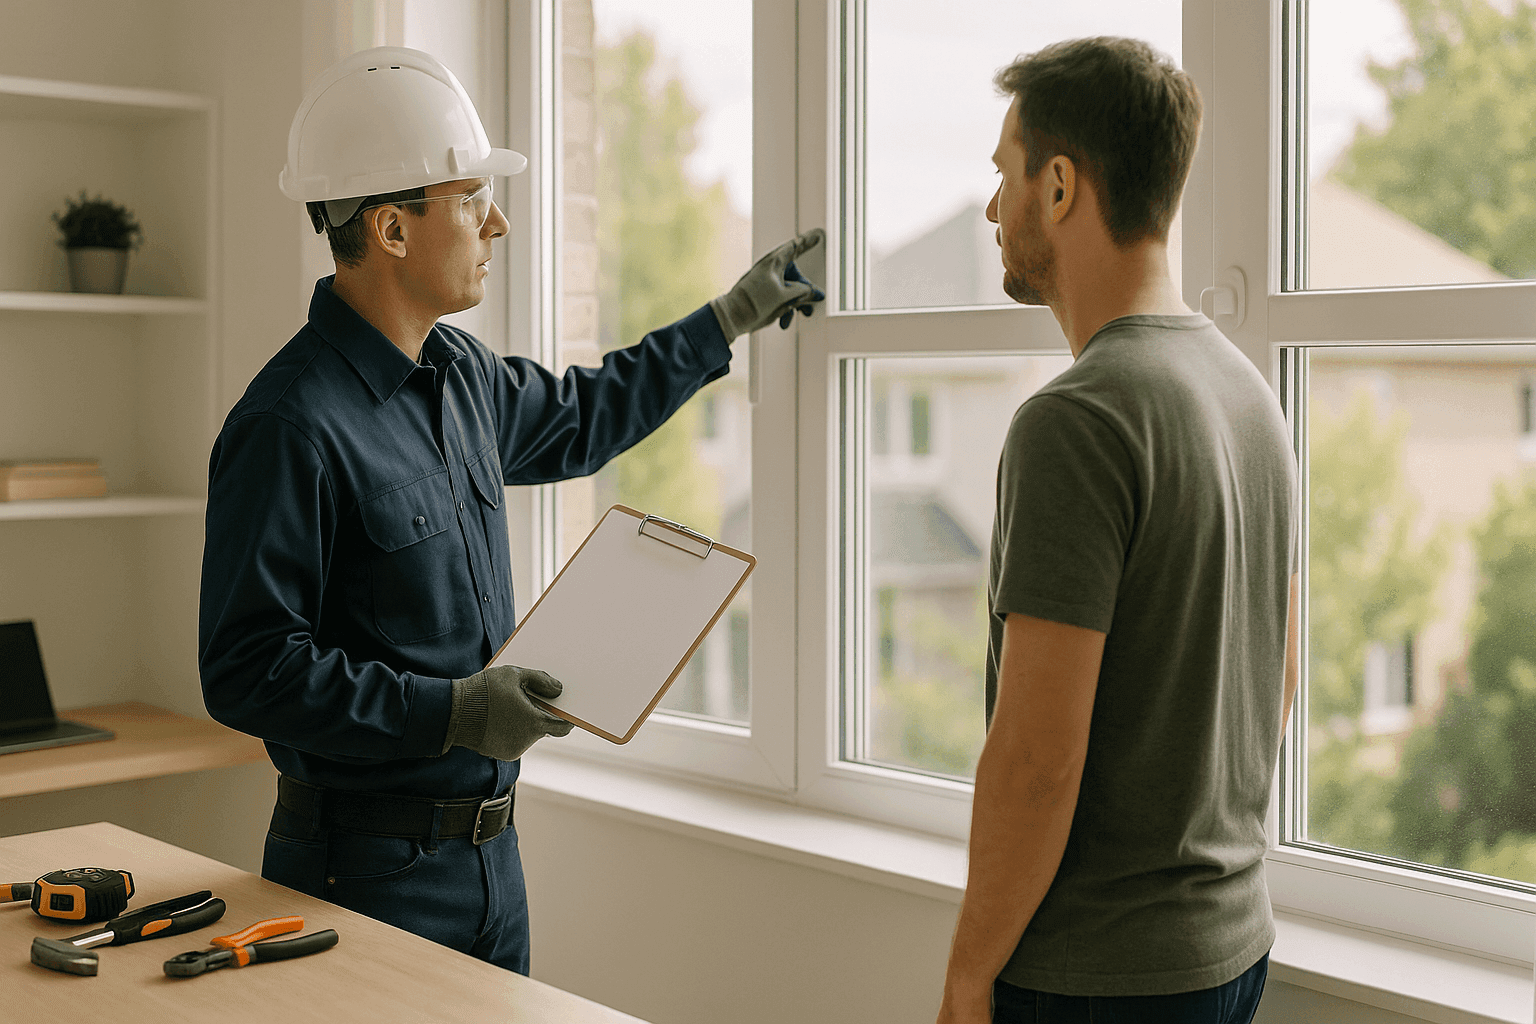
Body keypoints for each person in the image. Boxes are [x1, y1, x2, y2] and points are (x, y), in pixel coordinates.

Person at [197, 46, 823, 976]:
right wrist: (450, 712)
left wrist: (727, 317)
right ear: (393, 230)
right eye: (468, 200)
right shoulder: (288, 425)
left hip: (492, 865)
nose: (498, 222)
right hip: (361, 877)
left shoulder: (465, 377)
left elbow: (584, 414)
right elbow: (247, 672)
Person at [936, 37, 1299, 1024]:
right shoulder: (1247, 392)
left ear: (1058, 187)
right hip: (1230, 953)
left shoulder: (1077, 420)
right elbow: (1277, 687)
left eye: (1005, 174)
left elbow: (1036, 762)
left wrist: (968, 978)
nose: (991, 207)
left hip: (1097, 982)